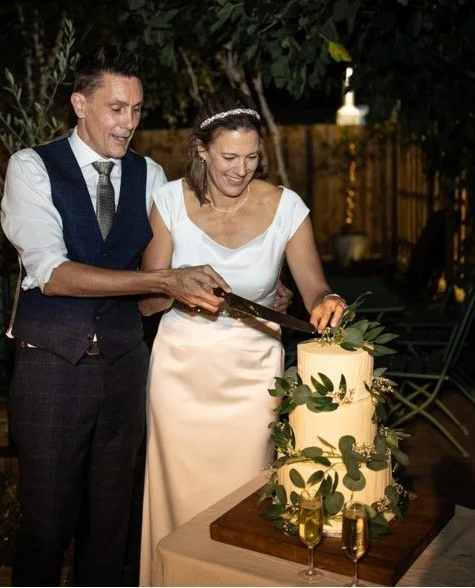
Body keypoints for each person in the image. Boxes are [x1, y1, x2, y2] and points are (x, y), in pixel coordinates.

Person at [0, 46, 231, 587]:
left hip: (126, 370)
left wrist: (258, 292)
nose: (129, 123)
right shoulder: (31, 167)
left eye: (137, 110)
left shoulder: (150, 175)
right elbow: (51, 273)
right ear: (80, 104)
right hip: (52, 371)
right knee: (46, 525)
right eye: (117, 108)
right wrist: (160, 281)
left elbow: (188, 250)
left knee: (112, 528)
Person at [137, 91, 348, 585]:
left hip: (254, 375)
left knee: (246, 496)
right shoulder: (167, 202)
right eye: (229, 157)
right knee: (178, 499)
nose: (241, 169)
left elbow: (314, 287)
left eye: (252, 158)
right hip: (180, 374)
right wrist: (177, 285)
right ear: (201, 149)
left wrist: (326, 302)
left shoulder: (287, 207)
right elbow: (145, 300)